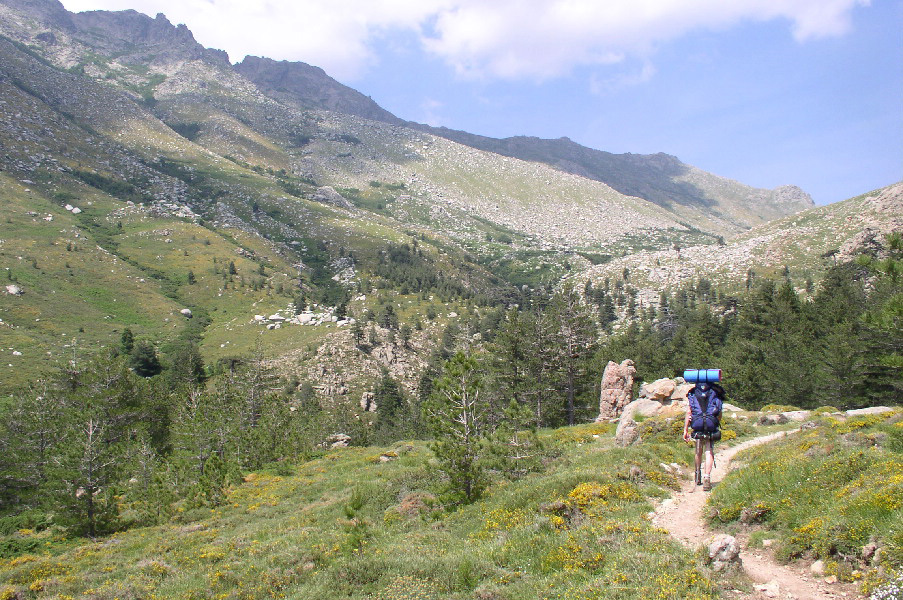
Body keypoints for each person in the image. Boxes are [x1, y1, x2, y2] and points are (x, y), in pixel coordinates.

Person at [682, 381, 723, 491]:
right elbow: (719, 412)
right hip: (710, 424)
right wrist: (715, 422)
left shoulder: (693, 392)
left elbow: (689, 412)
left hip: (697, 423)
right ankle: (707, 477)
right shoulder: (715, 391)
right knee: (709, 450)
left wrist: (685, 429)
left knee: (698, 450)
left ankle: (697, 475)